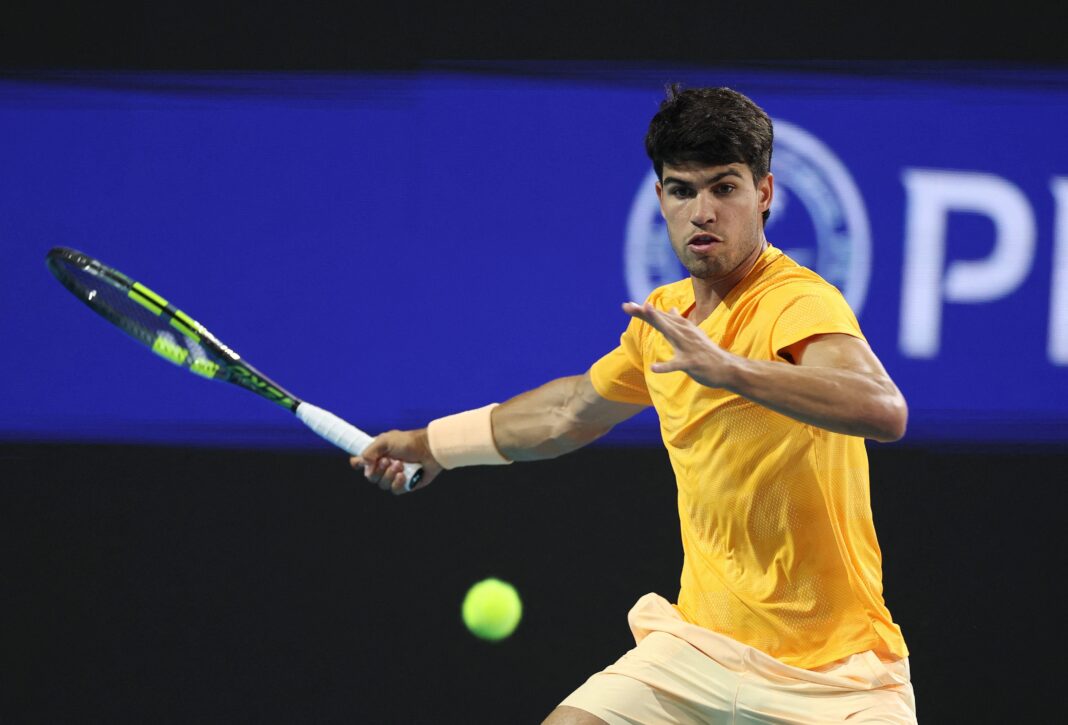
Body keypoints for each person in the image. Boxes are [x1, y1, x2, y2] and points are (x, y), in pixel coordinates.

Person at [355, 86, 917, 724]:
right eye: (682, 190)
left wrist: (731, 369)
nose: (703, 211)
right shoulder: (664, 318)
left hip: (835, 675)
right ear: (660, 200)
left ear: (764, 193)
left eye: (724, 188)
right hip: (699, 651)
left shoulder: (797, 302)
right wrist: (433, 445)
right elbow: (569, 413)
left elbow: (882, 409)